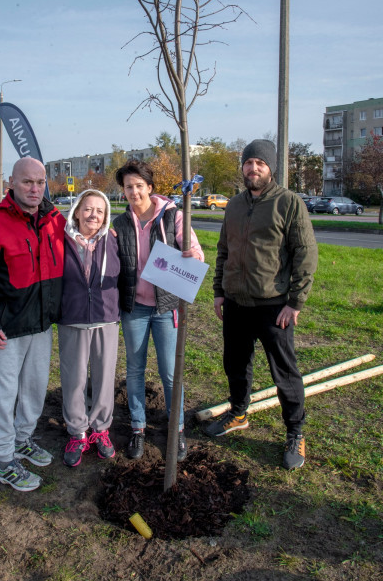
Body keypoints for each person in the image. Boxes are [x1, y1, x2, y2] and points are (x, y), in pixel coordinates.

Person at [205, 139, 318, 471]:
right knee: (235, 364)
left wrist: (295, 302)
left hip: (273, 305)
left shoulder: (289, 203)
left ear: (271, 168)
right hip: (237, 303)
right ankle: (238, 413)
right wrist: (219, 290)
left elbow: (306, 254)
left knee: (284, 372)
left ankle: (295, 431)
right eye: (248, 162)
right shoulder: (235, 205)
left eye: (260, 163)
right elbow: (224, 249)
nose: (253, 169)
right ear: (242, 167)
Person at [0, 157, 65, 492]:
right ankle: (5, 459)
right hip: (5, 331)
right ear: (11, 183)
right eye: (27, 182)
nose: (35, 189)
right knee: (4, 396)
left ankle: (23, 439)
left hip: (41, 326)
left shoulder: (54, 220)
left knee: (35, 390)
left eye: (40, 182)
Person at [113, 159, 204, 463]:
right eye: (129, 187)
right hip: (134, 308)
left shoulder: (172, 216)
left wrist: (192, 253)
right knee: (135, 369)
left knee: (169, 371)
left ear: (149, 188)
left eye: (139, 185)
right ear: (123, 191)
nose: (134, 191)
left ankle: (176, 429)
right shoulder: (120, 224)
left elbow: (193, 249)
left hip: (166, 308)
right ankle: (138, 427)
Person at [58, 189, 120, 467]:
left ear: (106, 215)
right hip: (72, 318)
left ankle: (101, 429)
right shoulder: (61, 239)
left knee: (105, 377)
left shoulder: (114, 240)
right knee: (74, 379)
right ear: (77, 211)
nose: (93, 215)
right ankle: (77, 432)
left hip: (106, 317)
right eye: (87, 209)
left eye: (99, 210)